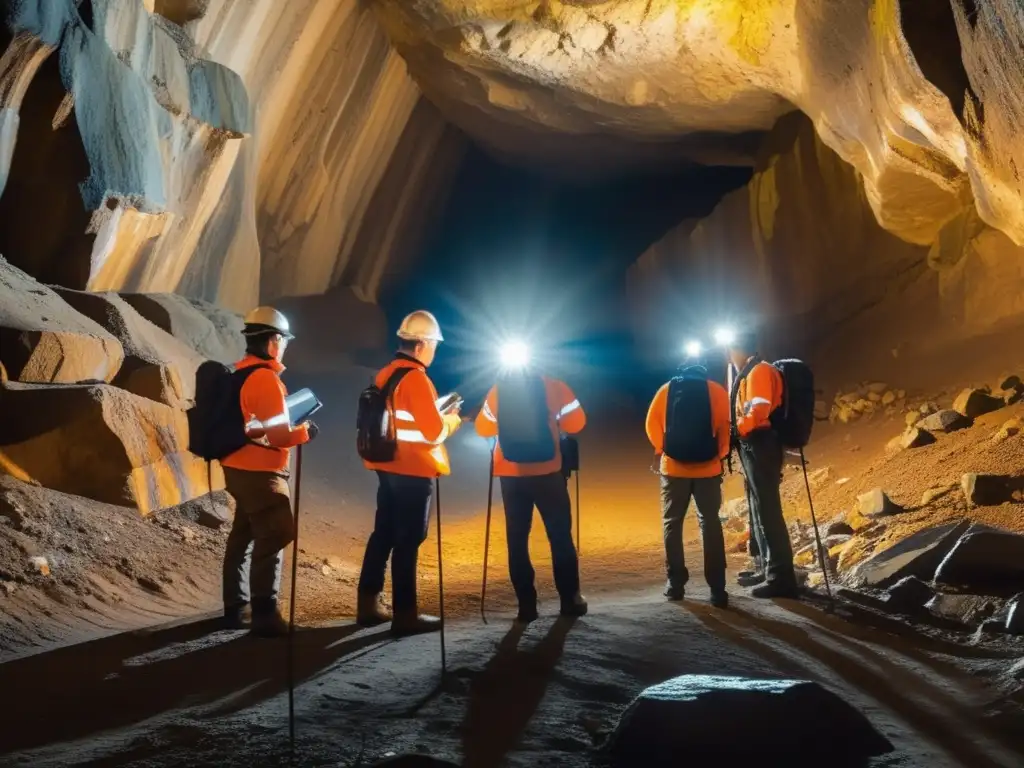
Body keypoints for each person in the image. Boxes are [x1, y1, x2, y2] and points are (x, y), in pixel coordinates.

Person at [356, 310, 463, 635]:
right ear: (422, 344)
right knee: (408, 540)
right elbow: (432, 432)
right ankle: (405, 615)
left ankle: (368, 605)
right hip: (413, 471)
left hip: (386, 467)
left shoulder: (386, 374)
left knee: (384, 533)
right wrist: (452, 419)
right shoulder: (416, 379)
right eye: (434, 345)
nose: (434, 352)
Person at [222, 306, 318, 637]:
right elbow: (278, 435)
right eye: (283, 340)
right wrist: (304, 431)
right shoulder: (265, 379)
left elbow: (252, 425)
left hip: (237, 466)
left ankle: (235, 606)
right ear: (274, 341)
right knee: (275, 534)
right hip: (261, 473)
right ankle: (264, 613)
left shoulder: (239, 373)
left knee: (244, 535)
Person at [474, 364, 588, 623]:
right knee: (560, 537)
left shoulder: (498, 391)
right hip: (548, 473)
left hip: (511, 476)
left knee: (517, 540)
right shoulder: (555, 386)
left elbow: (484, 429)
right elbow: (577, 422)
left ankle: (527, 606)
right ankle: (570, 601)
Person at [645, 355, 731, 608]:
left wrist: (666, 449)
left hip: (674, 470)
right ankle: (717, 589)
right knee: (711, 524)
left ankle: (675, 585)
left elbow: (651, 425)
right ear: (703, 370)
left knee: (673, 523)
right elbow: (725, 429)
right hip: (709, 470)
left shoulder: (666, 389)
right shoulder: (716, 390)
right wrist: (718, 455)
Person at [727, 331, 798, 598]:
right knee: (758, 508)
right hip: (753, 444)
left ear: (737, 349)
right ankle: (766, 568)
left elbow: (758, 411)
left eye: (730, 349)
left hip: (762, 443)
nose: (729, 356)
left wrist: (738, 429)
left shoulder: (759, 373)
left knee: (768, 509)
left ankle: (782, 577)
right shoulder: (748, 372)